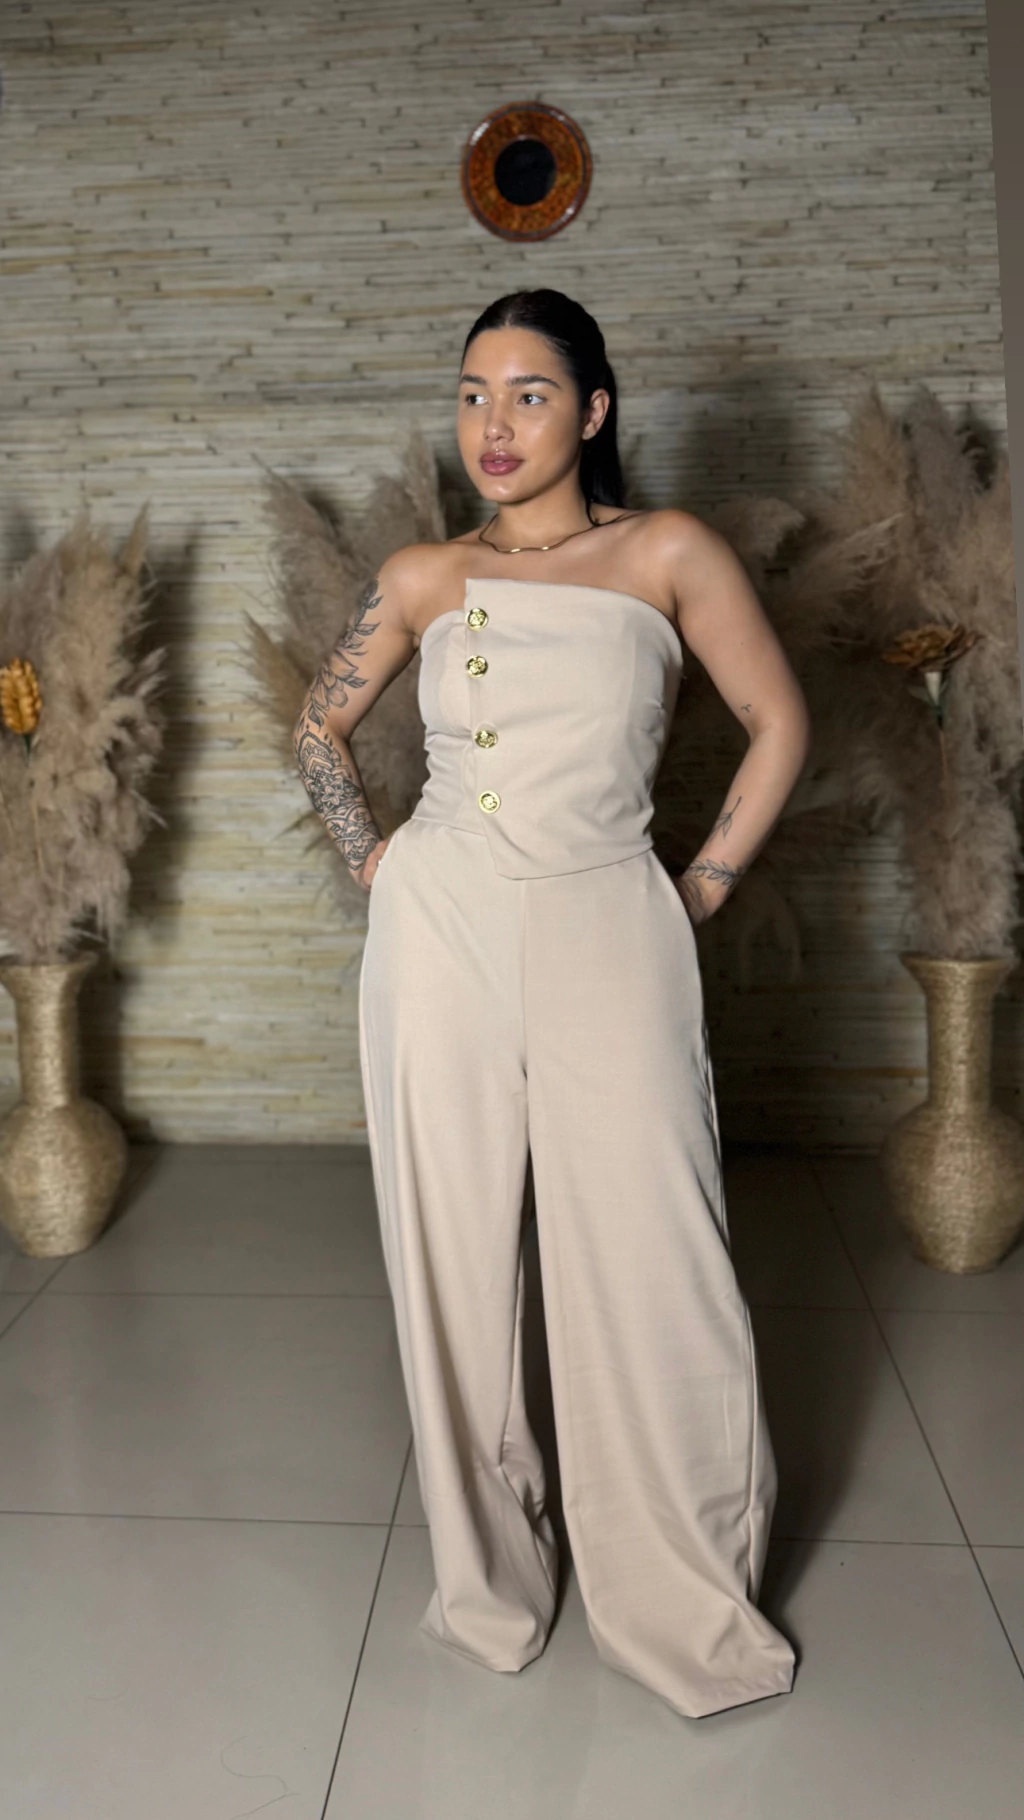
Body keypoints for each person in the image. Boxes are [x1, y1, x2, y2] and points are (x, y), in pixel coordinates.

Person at [293, 288, 812, 1721]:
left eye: (529, 393)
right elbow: (318, 724)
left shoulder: (667, 552)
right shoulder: (421, 574)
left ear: (593, 410)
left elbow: (780, 720)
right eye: (474, 393)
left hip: (609, 920)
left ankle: (681, 1591)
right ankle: (494, 1583)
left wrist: (698, 886)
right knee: (450, 1259)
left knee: (658, 1261)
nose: (496, 423)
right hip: (442, 930)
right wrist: (379, 862)